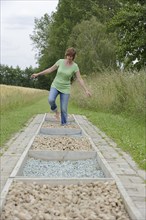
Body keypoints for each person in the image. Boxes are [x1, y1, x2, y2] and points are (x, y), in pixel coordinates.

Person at [31, 47, 91, 125]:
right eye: (68, 55)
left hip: (65, 88)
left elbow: (79, 79)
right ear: (66, 55)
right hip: (55, 85)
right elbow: (50, 70)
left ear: (73, 57)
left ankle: (64, 124)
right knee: (51, 100)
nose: (69, 57)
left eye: (71, 56)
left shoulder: (75, 66)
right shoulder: (60, 62)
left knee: (64, 109)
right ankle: (56, 112)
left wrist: (86, 90)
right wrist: (38, 74)